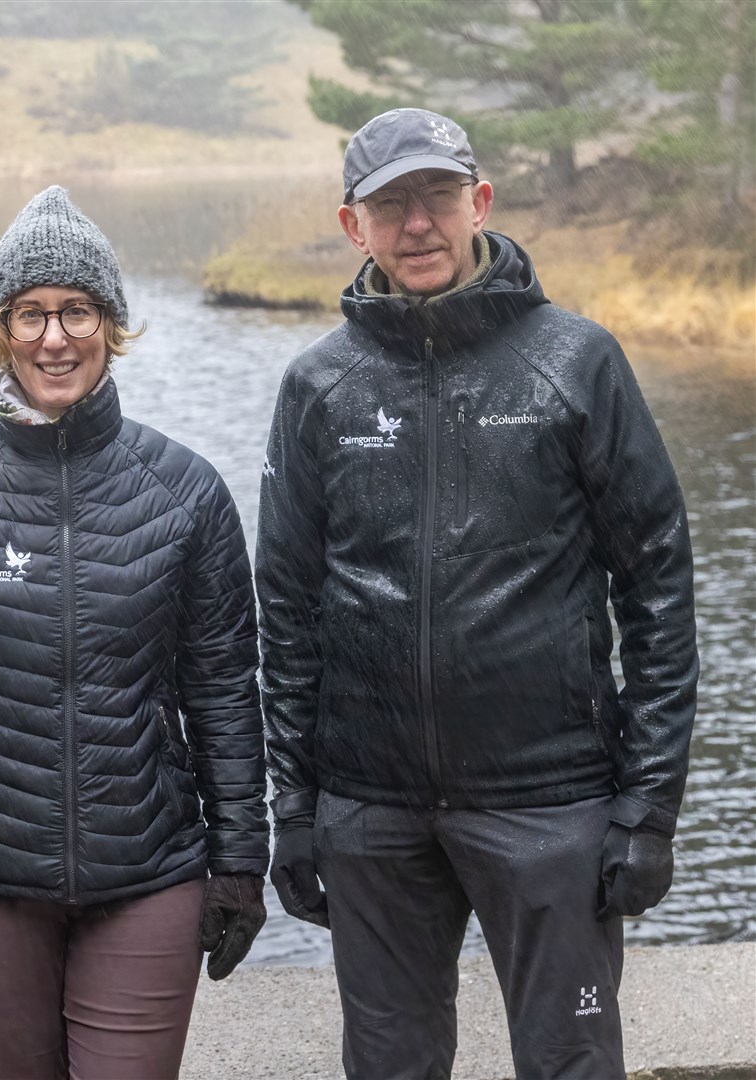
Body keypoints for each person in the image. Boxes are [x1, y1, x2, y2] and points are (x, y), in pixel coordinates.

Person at [256, 108, 698, 1079]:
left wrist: (647, 810)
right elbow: (285, 612)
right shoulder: (317, 387)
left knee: (571, 1065)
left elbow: (659, 584)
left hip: (551, 803)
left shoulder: (577, 361)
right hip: (369, 811)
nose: (418, 224)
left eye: (437, 197)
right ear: (352, 226)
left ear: (479, 202)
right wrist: (293, 807)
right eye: (390, 205)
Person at [0, 186, 269, 1079]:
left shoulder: (187, 493)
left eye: (77, 310)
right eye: (31, 313)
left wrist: (241, 857)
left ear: (111, 326)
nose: (55, 337)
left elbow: (224, 688)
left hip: (151, 869)